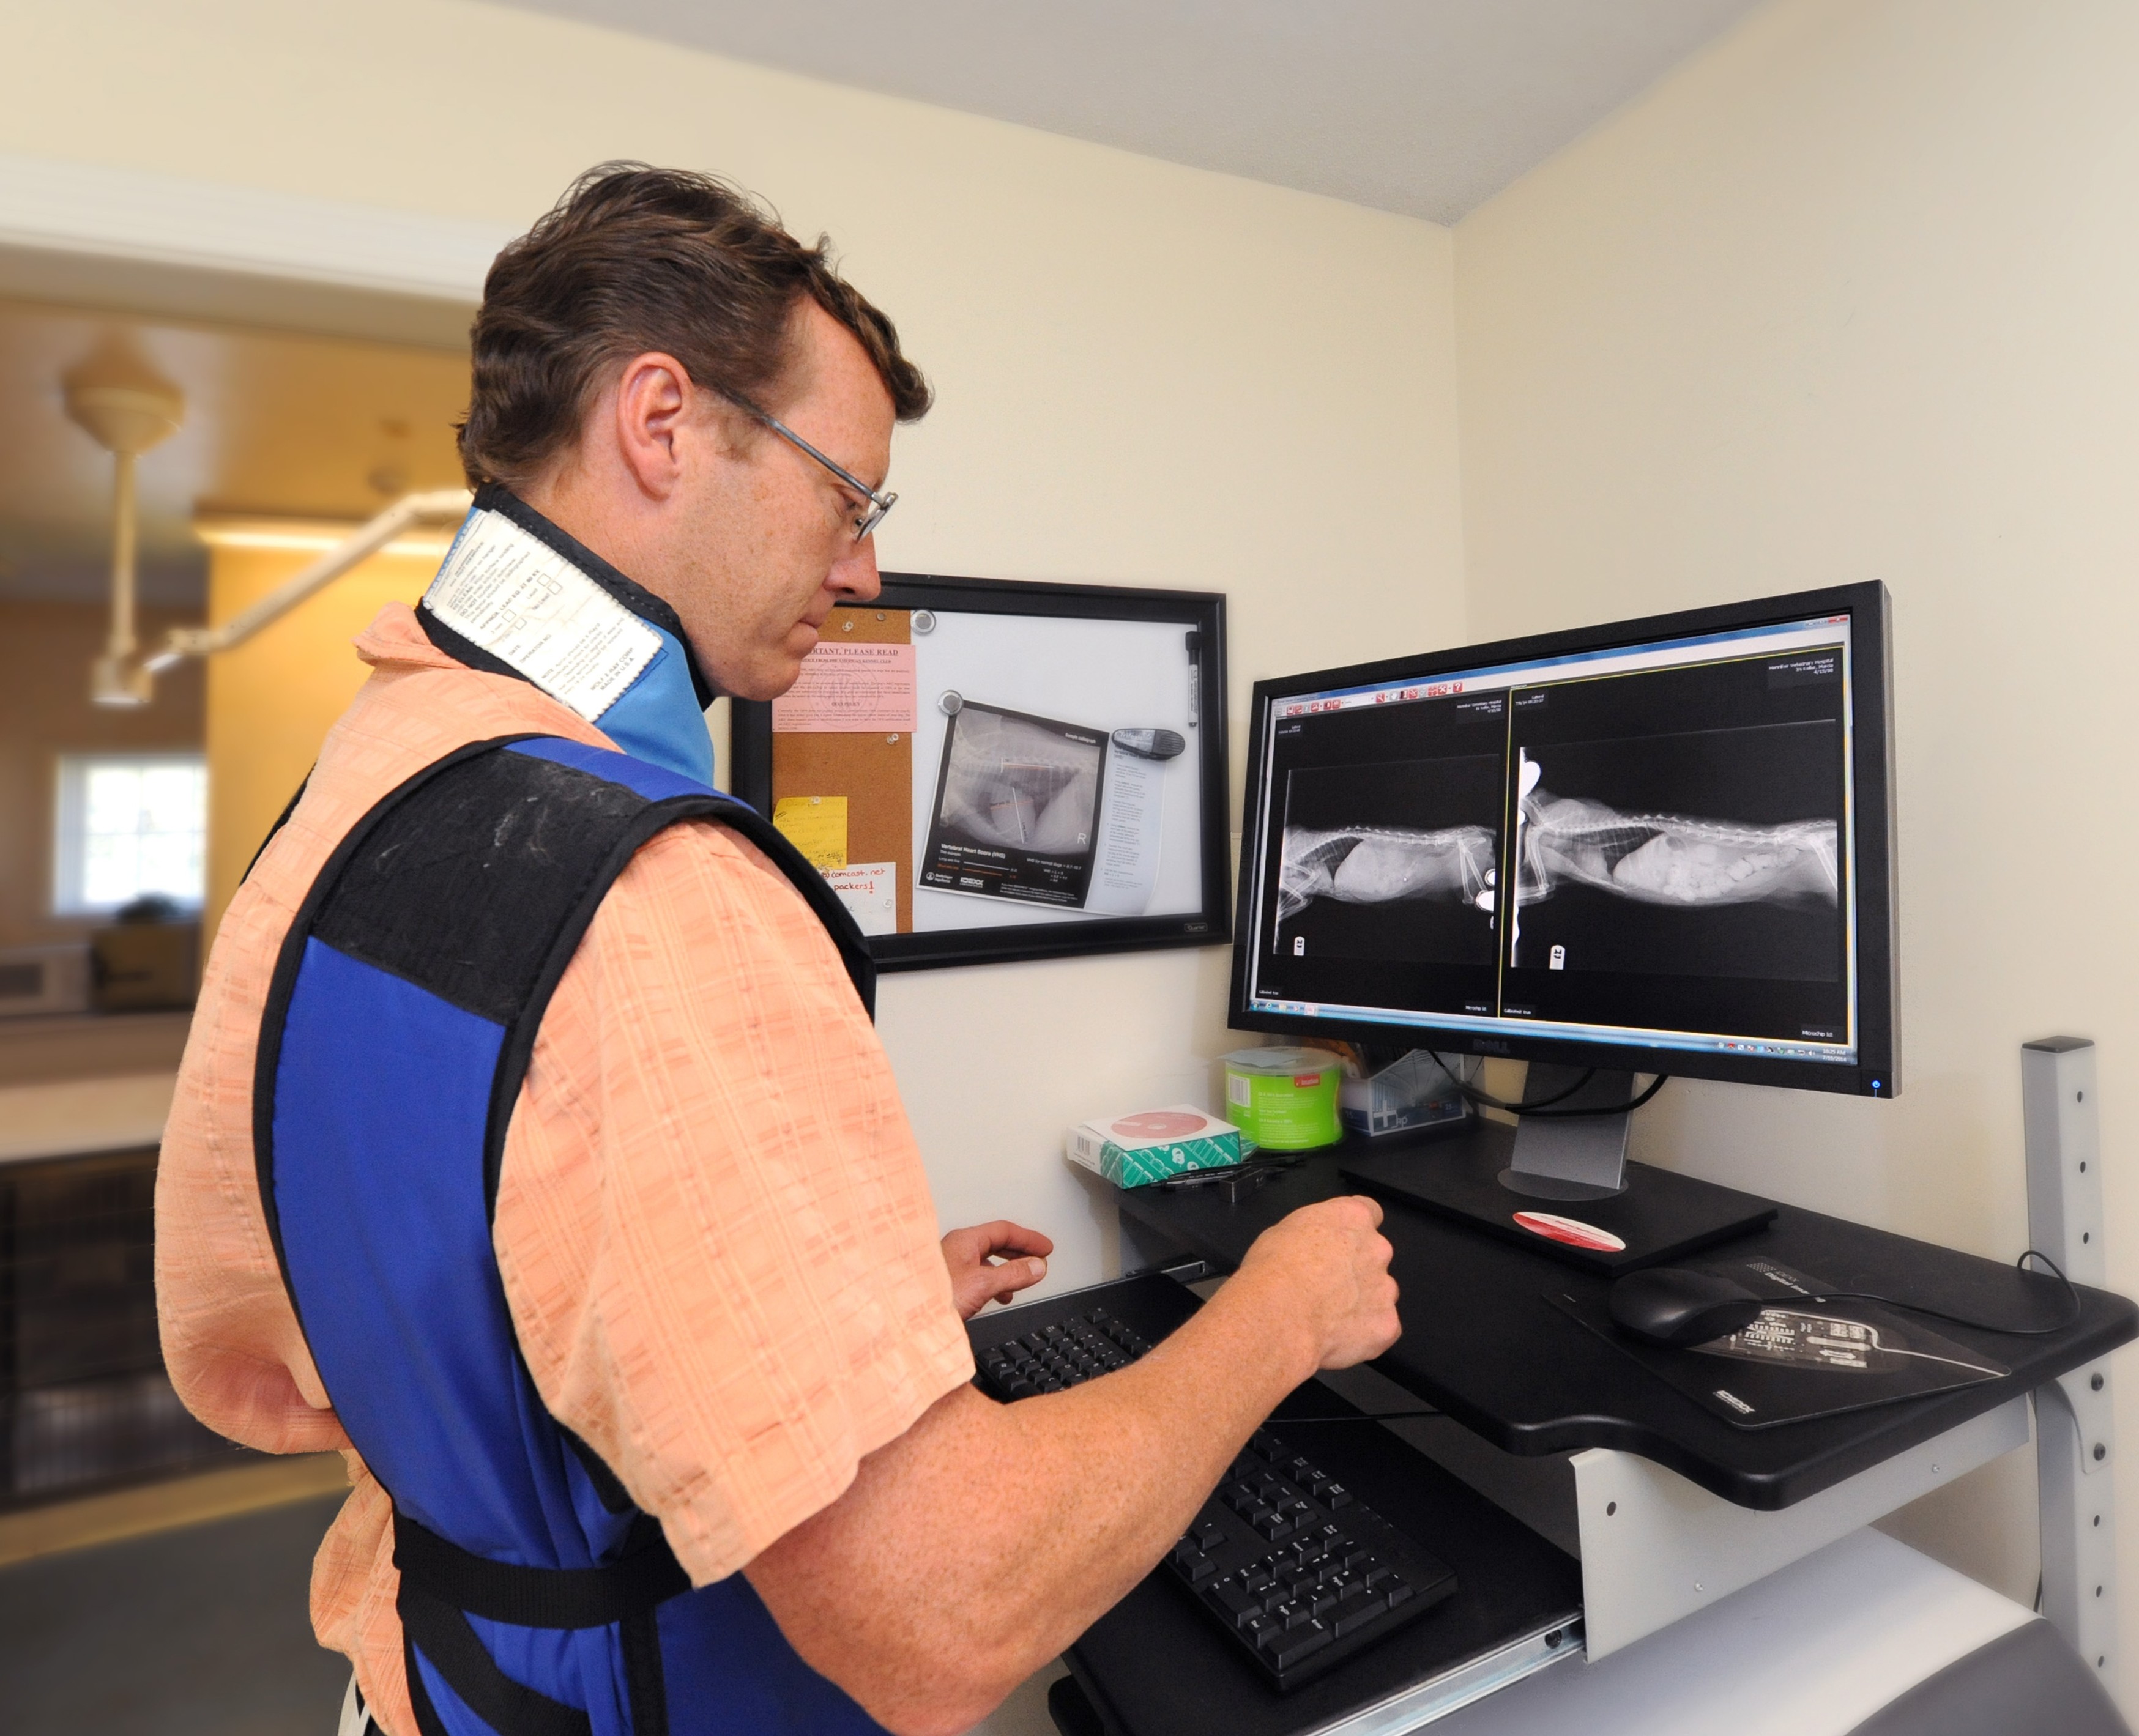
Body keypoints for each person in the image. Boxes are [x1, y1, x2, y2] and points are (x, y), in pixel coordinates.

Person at [156, 162, 1400, 1736]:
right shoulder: (651, 888)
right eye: (850, 497)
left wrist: (791, 1343)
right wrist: (1279, 1311)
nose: (865, 569)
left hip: (441, 1683)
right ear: (661, 423)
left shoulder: (365, 778)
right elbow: (945, 1612)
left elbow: (354, 1314)